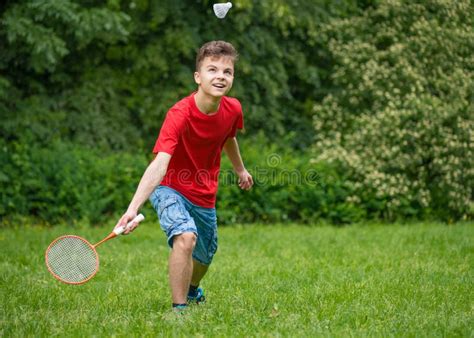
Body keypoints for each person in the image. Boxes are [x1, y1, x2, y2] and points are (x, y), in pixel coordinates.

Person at [114, 40, 253, 311]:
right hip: (169, 187)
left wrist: (240, 169)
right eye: (212, 70)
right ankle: (179, 311)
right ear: (198, 77)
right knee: (185, 237)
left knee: (204, 255)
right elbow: (159, 164)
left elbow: (228, 136)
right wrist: (133, 208)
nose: (220, 77)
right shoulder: (179, 114)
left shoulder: (233, 109)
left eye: (227, 72)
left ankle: (191, 290)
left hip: (204, 192)